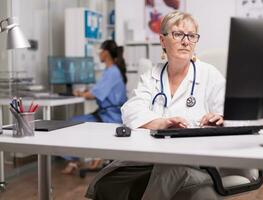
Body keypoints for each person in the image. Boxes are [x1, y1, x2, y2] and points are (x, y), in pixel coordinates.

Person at [86, 11, 225, 200]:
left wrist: (220, 119)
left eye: (191, 36)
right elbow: (131, 110)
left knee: (169, 172)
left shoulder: (209, 75)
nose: (186, 41)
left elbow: (233, 116)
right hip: (153, 159)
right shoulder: (151, 76)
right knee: (107, 185)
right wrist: (162, 123)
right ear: (162, 40)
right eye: (178, 34)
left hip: (195, 161)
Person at [62, 40, 128, 174]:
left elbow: (93, 94)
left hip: (111, 117)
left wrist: (81, 93)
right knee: (75, 121)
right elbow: (99, 89)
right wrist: (86, 91)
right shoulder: (112, 70)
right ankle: (77, 160)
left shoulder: (112, 72)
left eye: (100, 51)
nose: (98, 54)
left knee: (72, 123)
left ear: (106, 53)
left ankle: (75, 160)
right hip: (109, 114)